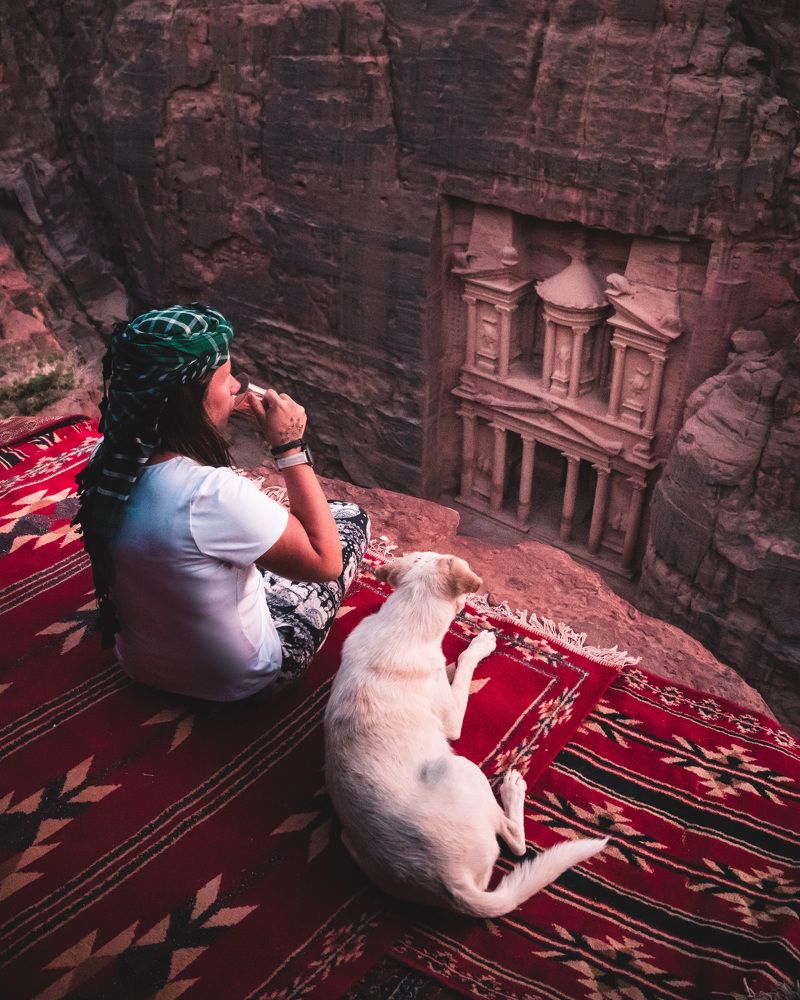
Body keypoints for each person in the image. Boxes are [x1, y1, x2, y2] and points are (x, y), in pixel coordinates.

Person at [74, 303, 370, 700]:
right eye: (227, 378)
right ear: (188, 398)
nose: (237, 388)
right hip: (238, 680)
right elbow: (325, 563)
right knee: (348, 520)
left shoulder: (105, 462)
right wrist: (290, 446)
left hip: (138, 664)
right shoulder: (211, 495)